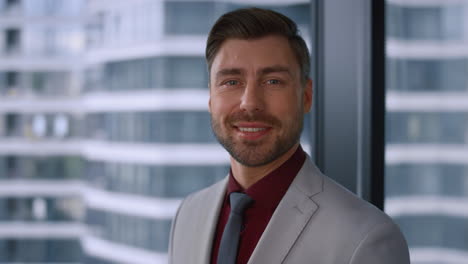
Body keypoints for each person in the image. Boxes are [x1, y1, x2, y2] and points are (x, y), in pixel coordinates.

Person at [168, 7, 410, 264]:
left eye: (273, 81)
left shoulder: (366, 238)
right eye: (231, 82)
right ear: (211, 98)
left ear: (306, 96)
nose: (249, 103)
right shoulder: (188, 214)